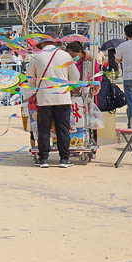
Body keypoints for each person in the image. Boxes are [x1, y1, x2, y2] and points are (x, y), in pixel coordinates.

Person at [27, 38, 80, 168]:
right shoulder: (65, 55)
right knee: (63, 129)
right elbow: (75, 77)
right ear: (56, 43)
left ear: (42, 44)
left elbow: (30, 79)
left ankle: (43, 159)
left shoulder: (36, 57)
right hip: (62, 98)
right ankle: (64, 159)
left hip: (44, 98)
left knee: (44, 129)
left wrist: (40, 86)